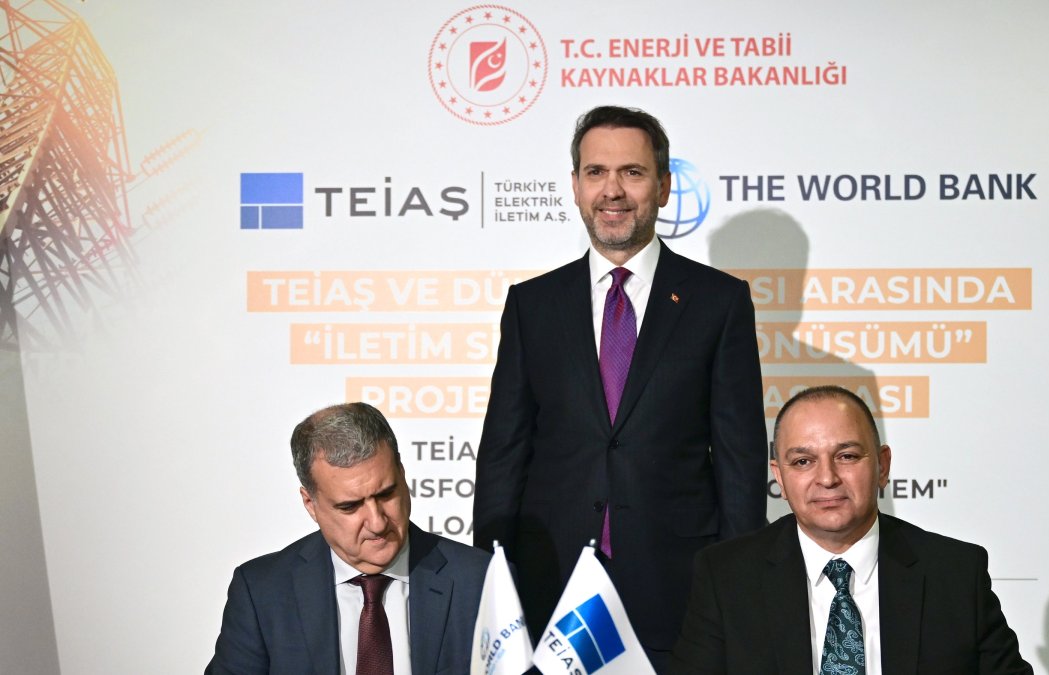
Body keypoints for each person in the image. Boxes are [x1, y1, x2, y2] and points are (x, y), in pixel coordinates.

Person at [474, 105, 766, 668]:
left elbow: (740, 460)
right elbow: (504, 452)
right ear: (576, 187)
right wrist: (489, 580)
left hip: (677, 590)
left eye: (632, 172)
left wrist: (737, 585)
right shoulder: (533, 306)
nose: (612, 190)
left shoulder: (719, 302)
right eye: (596, 172)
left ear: (663, 186)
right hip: (548, 586)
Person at [671, 386, 1033, 674]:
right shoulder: (726, 576)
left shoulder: (954, 572)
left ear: (882, 465)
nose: (827, 478)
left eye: (846, 456)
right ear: (779, 477)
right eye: (803, 461)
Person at [207, 402, 489, 675]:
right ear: (310, 504)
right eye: (350, 506)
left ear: (403, 476)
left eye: (386, 494)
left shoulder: (481, 581)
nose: (377, 523)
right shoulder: (262, 592)